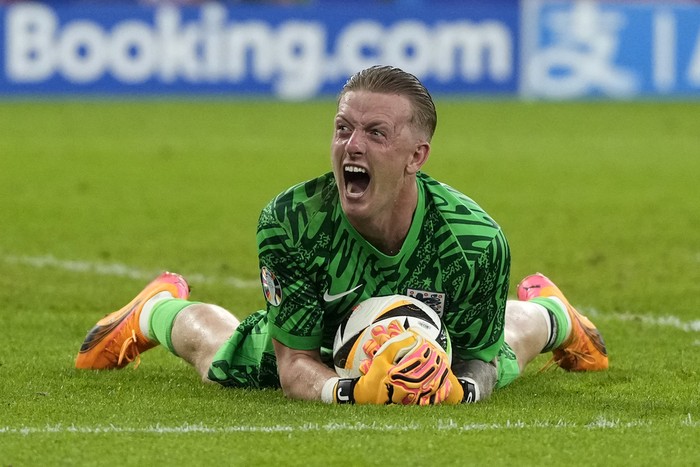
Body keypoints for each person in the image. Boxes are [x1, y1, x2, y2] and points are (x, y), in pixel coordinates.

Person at [75, 65, 608, 404]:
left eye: (376, 133)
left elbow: (479, 359)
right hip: (322, 342)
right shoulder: (292, 222)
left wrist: (458, 390)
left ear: (415, 157)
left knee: (508, 347)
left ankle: (556, 316)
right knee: (220, 362)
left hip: (434, 343)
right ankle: (154, 310)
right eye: (342, 127)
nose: (352, 145)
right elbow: (293, 368)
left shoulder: (475, 240)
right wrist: (347, 391)